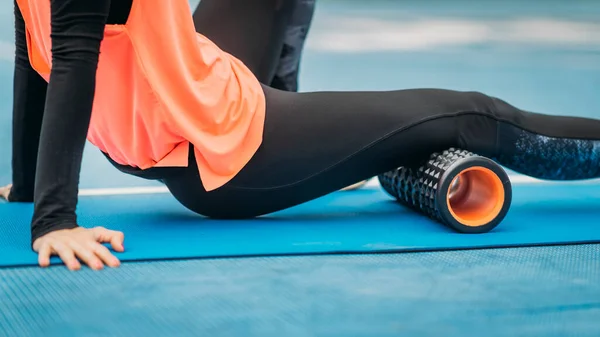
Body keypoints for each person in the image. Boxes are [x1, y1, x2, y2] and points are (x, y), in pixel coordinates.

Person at [2, 0, 600, 271]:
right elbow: (70, 60)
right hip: (228, 156)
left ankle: (302, 113)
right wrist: (54, 218)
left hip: (188, 101)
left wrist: (28, 184)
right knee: (471, 113)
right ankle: (304, 139)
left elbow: (36, 53)